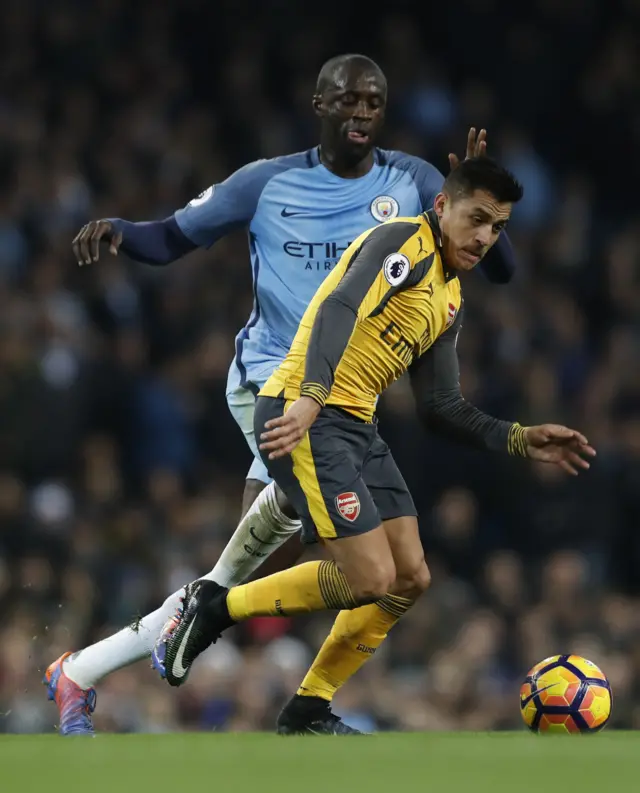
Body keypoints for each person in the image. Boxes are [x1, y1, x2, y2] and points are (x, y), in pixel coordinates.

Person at [44, 53, 515, 736]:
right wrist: (123, 231)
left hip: (342, 404)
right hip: (272, 382)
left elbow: (496, 267)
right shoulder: (266, 183)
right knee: (266, 573)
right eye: (348, 100)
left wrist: (475, 189)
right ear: (319, 104)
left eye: (374, 103)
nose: (361, 113)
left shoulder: (414, 182)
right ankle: (157, 660)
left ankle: (81, 669)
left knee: (246, 575)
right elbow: (175, 236)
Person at [154, 157, 595, 737]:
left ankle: (308, 708)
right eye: (478, 218)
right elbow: (339, 307)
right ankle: (211, 607)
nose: (486, 236)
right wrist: (311, 396)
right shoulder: (400, 243)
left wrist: (518, 437)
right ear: (442, 207)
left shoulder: (450, 297)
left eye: (499, 227)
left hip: (354, 427)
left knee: (411, 576)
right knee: (369, 578)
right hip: (302, 413)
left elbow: (441, 407)